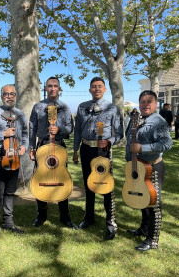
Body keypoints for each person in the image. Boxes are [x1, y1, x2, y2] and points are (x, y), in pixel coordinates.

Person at [73, 77, 123, 240]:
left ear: (105, 89)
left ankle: (110, 223)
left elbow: (119, 133)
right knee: (89, 185)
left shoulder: (112, 108)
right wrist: (75, 150)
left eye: (99, 86)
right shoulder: (82, 107)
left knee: (106, 187)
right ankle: (88, 218)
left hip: (103, 151)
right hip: (86, 148)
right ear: (89, 90)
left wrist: (109, 141)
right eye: (93, 87)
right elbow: (78, 131)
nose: (96, 89)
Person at [125, 90, 172, 251]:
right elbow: (129, 141)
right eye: (142, 101)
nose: (145, 104)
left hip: (154, 166)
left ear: (155, 104)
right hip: (138, 166)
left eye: (149, 101)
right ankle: (144, 229)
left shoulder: (159, 121)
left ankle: (152, 240)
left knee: (153, 203)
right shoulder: (136, 119)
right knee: (143, 201)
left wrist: (142, 148)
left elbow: (167, 144)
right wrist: (129, 161)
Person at [29, 77, 78, 230]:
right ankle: (41, 215)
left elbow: (70, 128)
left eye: (55, 86)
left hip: (59, 148)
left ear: (59, 88)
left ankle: (65, 217)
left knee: (62, 179)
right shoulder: (38, 107)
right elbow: (32, 128)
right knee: (41, 180)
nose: (52, 88)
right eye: (49, 86)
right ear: (45, 88)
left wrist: (60, 130)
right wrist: (32, 148)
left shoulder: (64, 107)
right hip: (42, 147)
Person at [0, 84, 28, 241]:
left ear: (15, 96)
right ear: (1, 96)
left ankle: (8, 222)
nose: (10, 96)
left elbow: (26, 134)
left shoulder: (20, 114)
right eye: (6, 94)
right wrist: (3, 133)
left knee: (10, 191)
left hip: (15, 157)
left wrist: (23, 147)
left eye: (12, 94)